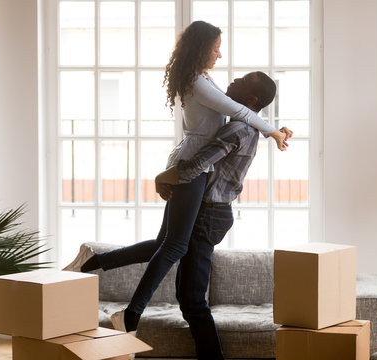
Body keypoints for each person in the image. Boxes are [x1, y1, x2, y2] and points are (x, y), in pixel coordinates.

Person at [64, 21, 287, 334]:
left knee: (164, 243)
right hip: (192, 167)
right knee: (175, 247)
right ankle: (131, 314)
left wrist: (274, 129)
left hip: (191, 163)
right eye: (215, 48)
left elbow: (244, 113)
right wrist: (273, 132)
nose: (220, 55)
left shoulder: (202, 79)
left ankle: (93, 262)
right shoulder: (198, 82)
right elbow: (243, 113)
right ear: (200, 49)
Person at [155, 71, 292, 360]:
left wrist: (162, 177)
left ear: (250, 99)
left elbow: (195, 166)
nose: (232, 82)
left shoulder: (237, 129)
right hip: (212, 212)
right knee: (187, 297)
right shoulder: (244, 126)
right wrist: (274, 130)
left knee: (192, 300)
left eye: (240, 82)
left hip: (209, 214)